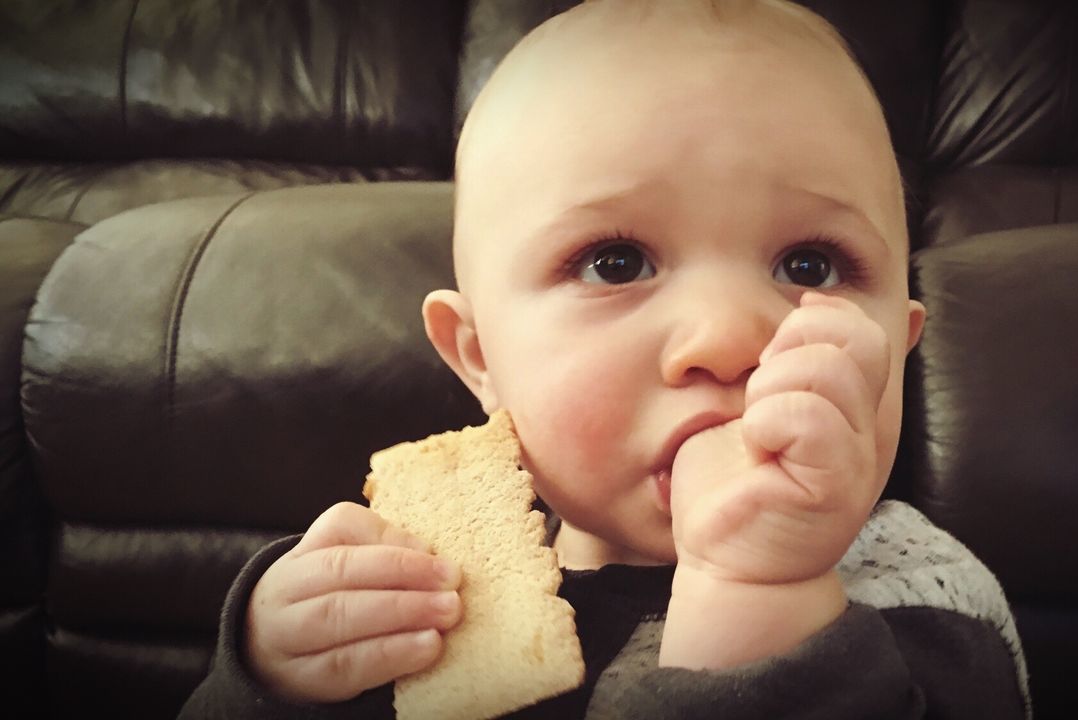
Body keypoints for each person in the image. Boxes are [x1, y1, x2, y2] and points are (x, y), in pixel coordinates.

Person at [181, 0, 1030, 717]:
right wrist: (267, 678)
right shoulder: (427, 599)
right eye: (614, 263)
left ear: (900, 350)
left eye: (811, 266)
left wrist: (761, 595)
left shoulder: (930, 608)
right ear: (479, 359)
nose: (732, 338)